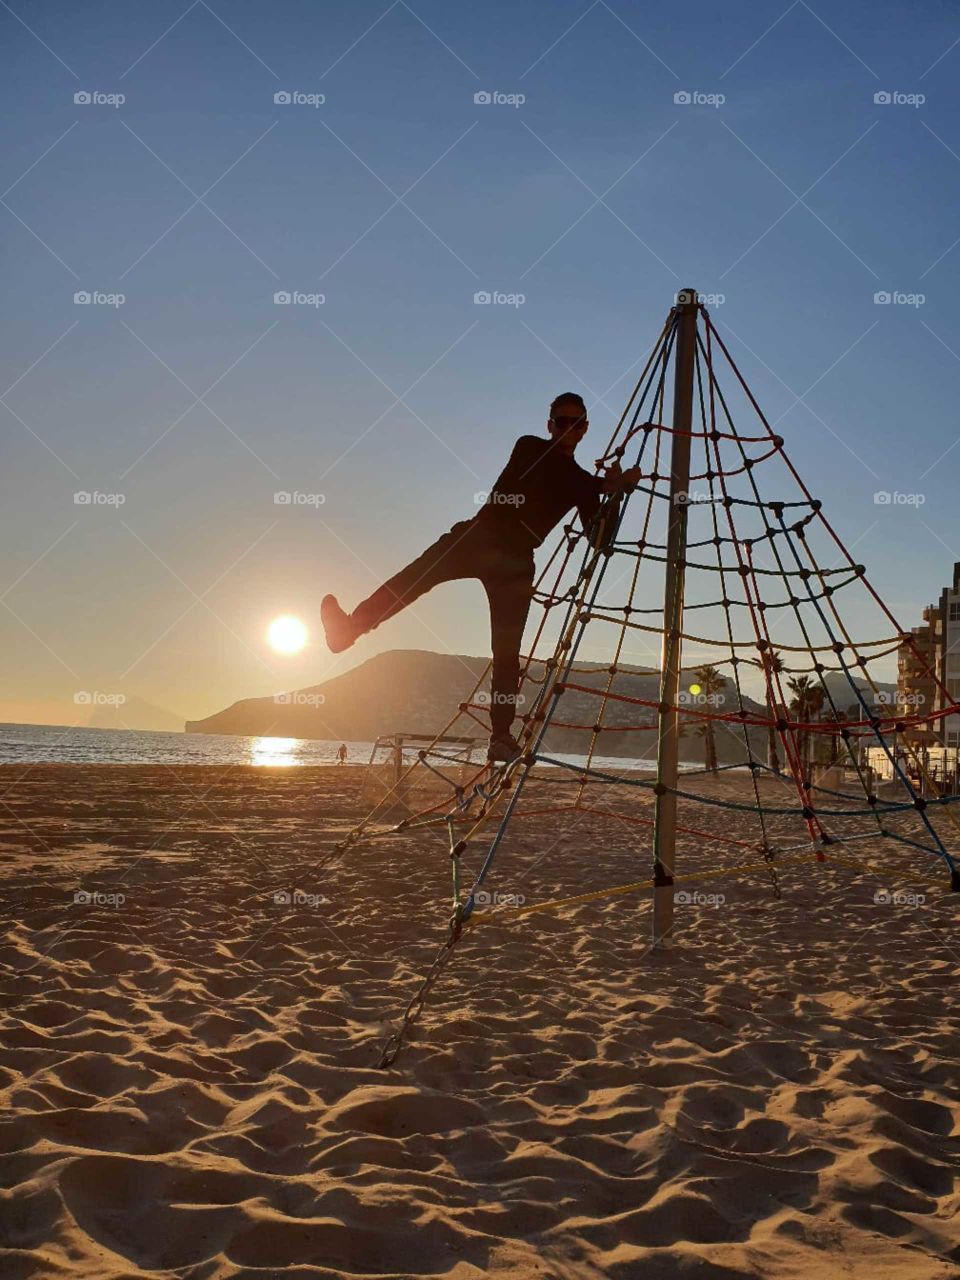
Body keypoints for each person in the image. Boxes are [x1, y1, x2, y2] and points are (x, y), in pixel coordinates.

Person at [321, 393, 640, 761]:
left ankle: (501, 737)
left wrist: (614, 496)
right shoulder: (531, 447)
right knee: (415, 578)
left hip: (517, 560)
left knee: (506, 654)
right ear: (549, 425)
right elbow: (553, 472)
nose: (568, 428)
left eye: (576, 423)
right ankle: (350, 629)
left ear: (585, 429)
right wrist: (607, 486)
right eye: (561, 421)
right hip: (481, 537)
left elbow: (600, 540)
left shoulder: (584, 483)